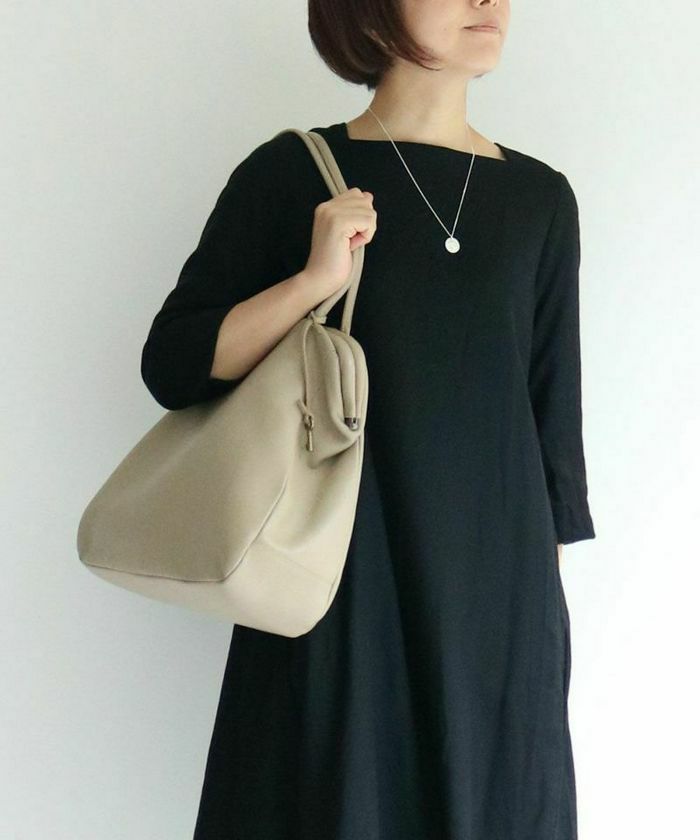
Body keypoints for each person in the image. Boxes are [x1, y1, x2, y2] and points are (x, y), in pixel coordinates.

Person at [140, 0, 596, 837]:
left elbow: (550, 432)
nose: (488, 2)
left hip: (494, 605)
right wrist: (314, 282)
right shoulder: (292, 174)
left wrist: (538, 638)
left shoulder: (540, 200)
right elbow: (174, 365)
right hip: (339, 591)